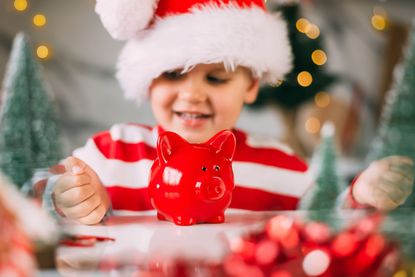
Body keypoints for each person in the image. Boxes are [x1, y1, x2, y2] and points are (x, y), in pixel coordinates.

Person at [42, 0, 414, 225]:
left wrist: (362, 193)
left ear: (251, 86)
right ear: (148, 80)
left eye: (217, 78)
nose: (192, 93)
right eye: (172, 73)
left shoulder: (277, 164)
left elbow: (328, 209)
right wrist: (68, 196)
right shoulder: (112, 153)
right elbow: (45, 190)